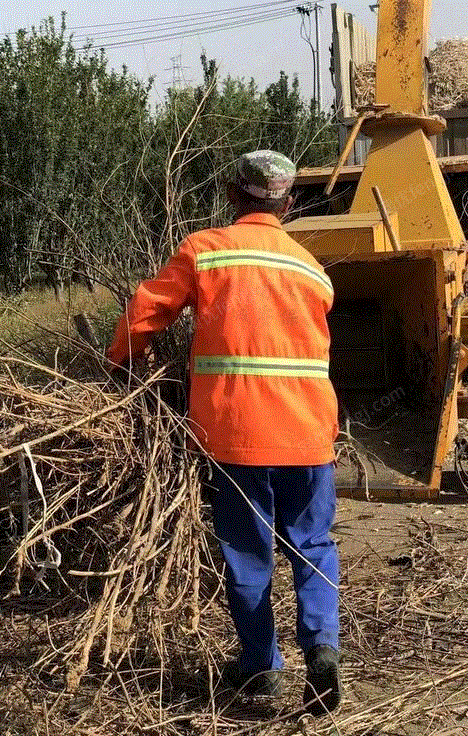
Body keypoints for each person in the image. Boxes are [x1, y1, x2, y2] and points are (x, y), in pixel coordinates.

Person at [107, 150, 342, 716]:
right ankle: (323, 648)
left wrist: (119, 364)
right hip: (310, 432)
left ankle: (262, 671)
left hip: (236, 433)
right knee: (312, 546)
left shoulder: (207, 251)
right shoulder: (312, 269)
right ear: (287, 205)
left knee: (247, 552)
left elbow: (147, 311)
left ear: (234, 196)